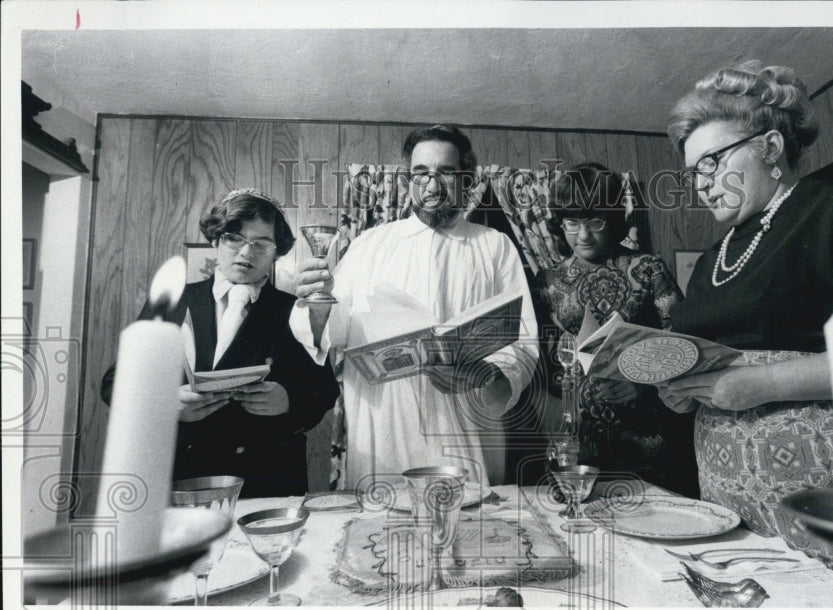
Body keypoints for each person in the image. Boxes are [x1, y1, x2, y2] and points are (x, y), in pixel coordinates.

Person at [660, 61, 833, 533]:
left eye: (712, 161)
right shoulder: (711, 259)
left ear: (770, 147)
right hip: (733, 508)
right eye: (692, 174)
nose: (701, 183)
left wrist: (766, 383)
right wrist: (679, 392)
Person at [291, 124, 538, 490]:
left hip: (465, 421)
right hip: (384, 424)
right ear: (408, 181)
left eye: (446, 173)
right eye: (421, 173)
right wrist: (316, 299)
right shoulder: (369, 245)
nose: (432, 185)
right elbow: (333, 332)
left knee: (468, 530)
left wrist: (487, 376)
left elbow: (524, 339)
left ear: (466, 180)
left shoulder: (494, 246)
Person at [102, 188, 338, 497]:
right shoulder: (175, 301)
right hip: (183, 477)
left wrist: (288, 401)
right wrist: (165, 404)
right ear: (216, 240)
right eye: (234, 238)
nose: (246, 252)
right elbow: (114, 383)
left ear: (278, 251)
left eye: (261, 243)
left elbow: (324, 391)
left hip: (266, 480)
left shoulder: (294, 309)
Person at [537, 162, 700, 496]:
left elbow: (684, 344)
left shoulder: (647, 268)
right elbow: (542, 361)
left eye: (595, 221)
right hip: (578, 435)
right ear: (559, 223)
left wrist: (646, 386)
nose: (583, 235)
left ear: (612, 218)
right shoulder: (548, 282)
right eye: (572, 222)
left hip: (648, 429)